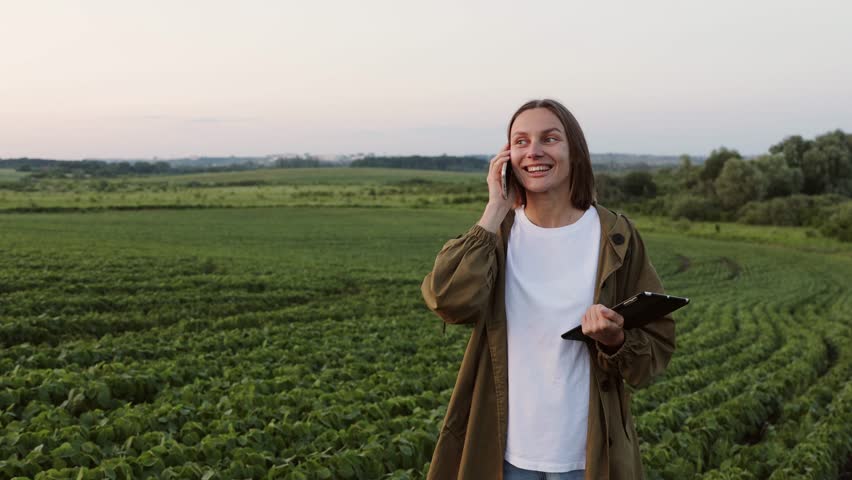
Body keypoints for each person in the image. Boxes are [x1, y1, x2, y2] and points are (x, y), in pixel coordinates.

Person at [420, 98, 675, 480]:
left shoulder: (615, 236)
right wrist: (494, 210)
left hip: (587, 455)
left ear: (574, 150)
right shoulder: (497, 236)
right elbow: (448, 301)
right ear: (506, 156)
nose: (534, 151)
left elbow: (655, 349)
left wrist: (615, 339)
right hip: (503, 452)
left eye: (549, 138)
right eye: (520, 141)